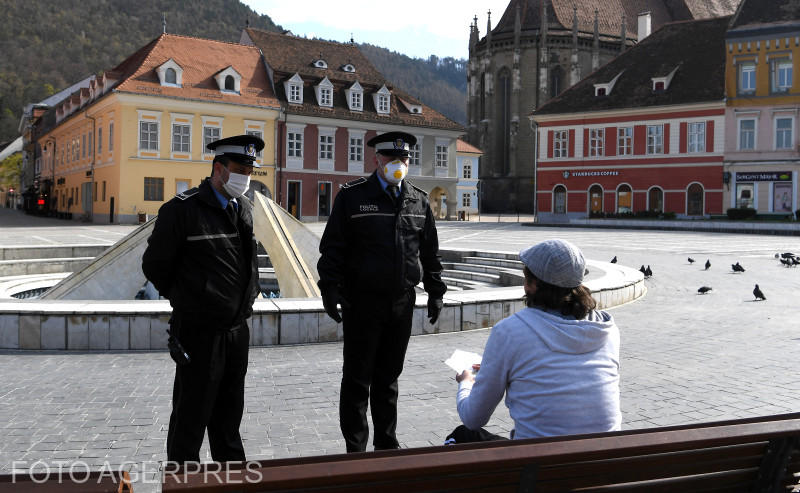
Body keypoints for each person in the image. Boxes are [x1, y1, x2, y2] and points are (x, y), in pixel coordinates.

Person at [317, 130, 447, 453]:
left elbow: (429, 250)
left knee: (388, 380)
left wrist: (435, 290)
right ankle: (356, 448)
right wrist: (330, 288)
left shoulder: (418, 199)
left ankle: (386, 445)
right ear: (377, 159)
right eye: (392, 158)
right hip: (362, 302)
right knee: (358, 380)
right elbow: (333, 247)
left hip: (401, 303)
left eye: (404, 158)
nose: (399, 163)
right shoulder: (352, 196)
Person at [142, 134, 264, 463]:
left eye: (249, 170)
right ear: (219, 168)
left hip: (237, 332)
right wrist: (191, 302)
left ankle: (233, 481)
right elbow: (155, 266)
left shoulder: (244, 209)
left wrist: (247, 300)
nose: (245, 177)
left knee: (229, 419)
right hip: (199, 333)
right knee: (190, 419)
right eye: (239, 168)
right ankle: (183, 481)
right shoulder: (182, 211)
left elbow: (246, 263)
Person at [449, 239, 620, 443]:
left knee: (462, 435)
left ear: (533, 284)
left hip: (539, 469)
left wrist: (466, 383)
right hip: (605, 464)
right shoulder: (607, 330)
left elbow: (473, 418)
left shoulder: (510, 332)